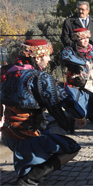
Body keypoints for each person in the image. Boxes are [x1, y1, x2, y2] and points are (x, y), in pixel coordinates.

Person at [1, 39, 83, 185]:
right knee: (71, 148)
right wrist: (75, 119)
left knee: (44, 133)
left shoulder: (6, 72)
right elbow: (58, 107)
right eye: (47, 55)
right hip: (30, 136)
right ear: (37, 58)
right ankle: (28, 180)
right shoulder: (40, 77)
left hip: (8, 135)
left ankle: (28, 169)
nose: (50, 59)